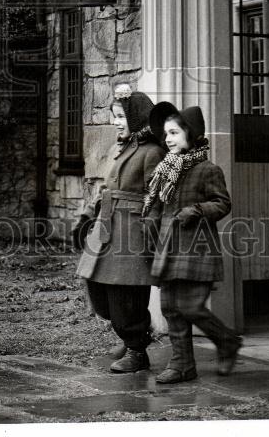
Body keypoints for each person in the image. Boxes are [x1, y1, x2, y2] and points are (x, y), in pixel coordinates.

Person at [142, 102, 242, 383]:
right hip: (168, 247)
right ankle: (183, 365)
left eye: (173, 133)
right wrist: (150, 223)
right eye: (166, 134)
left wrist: (197, 210)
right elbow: (159, 205)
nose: (167, 139)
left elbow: (222, 204)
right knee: (171, 308)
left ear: (191, 133)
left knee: (191, 307)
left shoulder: (207, 169)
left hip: (196, 248)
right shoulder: (167, 169)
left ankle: (227, 341)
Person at [75, 87, 166, 373]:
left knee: (124, 293)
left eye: (121, 117)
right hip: (107, 228)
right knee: (100, 291)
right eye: (114, 116)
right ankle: (132, 336)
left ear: (137, 118)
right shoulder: (123, 149)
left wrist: (149, 232)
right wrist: (87, 215)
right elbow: (106, 188)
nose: (116, 122)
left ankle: (137, 350)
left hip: (131, 232)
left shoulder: (152, 152)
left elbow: (158, 195)